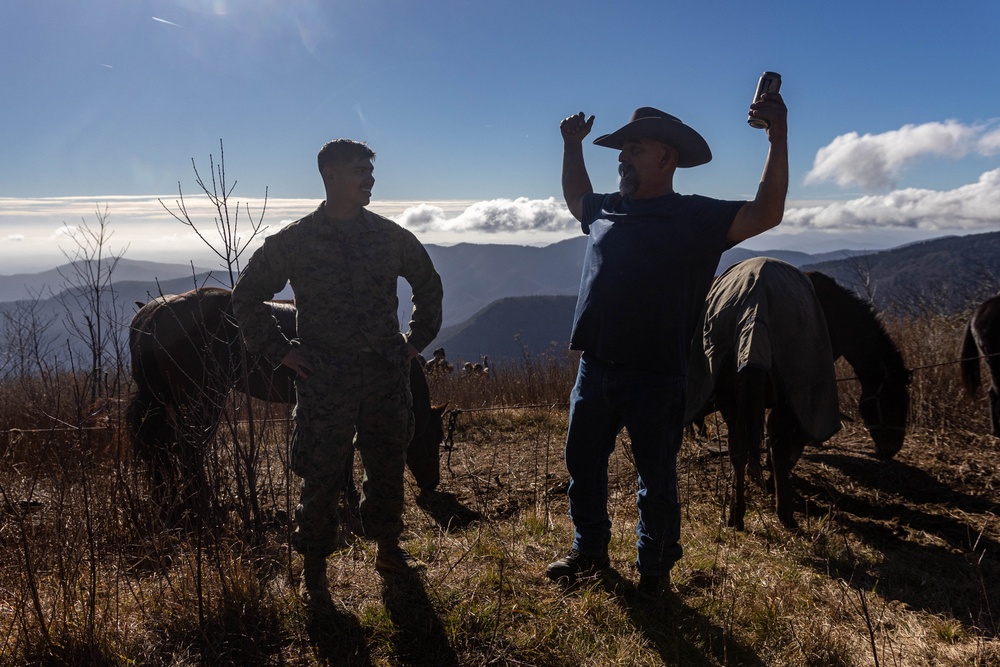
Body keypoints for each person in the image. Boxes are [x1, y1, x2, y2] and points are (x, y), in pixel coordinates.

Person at [547, 92, 787, 599]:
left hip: (657, 373)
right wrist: (572, 147)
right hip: (595, 367)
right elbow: (575, 199)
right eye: (622, 149)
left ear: (665, 158)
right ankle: (588, 551)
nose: (621, 157)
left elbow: (766, 212)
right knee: (582, 465)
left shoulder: (697, 217)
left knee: (656, 479)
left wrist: (777, 135)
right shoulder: (606, 208)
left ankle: (653, 573)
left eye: (634, 148)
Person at [231, 139, 443, 605]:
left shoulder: (389, 237)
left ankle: (389, 549)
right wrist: (278, 351)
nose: (368, 179)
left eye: (370, 170)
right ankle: (314, 565)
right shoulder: (296, 241)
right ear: (329, 175)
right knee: (321, 471)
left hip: (386, 375)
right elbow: (245, 296)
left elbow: (428, 284)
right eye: (357, 171)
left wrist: (415, 341)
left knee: (387, 463)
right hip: (324, 378)